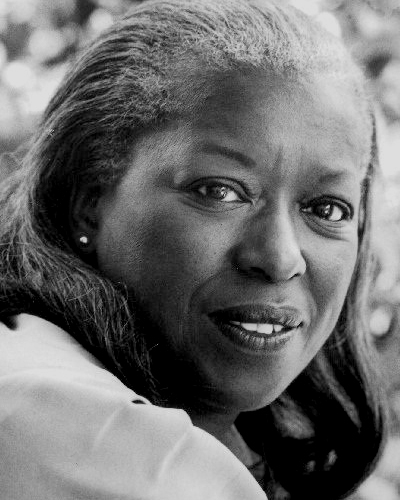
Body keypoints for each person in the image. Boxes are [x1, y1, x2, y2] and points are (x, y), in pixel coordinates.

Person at [0, 0, 387, 498]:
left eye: (327, 209)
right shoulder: (90, 435)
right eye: (219, 191)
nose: (279, 258)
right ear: (88, 203)